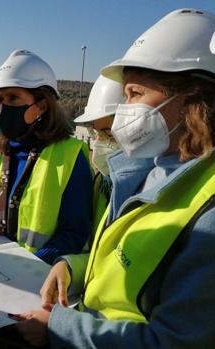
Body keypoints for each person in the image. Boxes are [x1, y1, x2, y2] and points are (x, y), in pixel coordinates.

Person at [15, 9, 215, 348]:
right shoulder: (150, 172)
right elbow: (121, 267)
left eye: (135, 94)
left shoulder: (207, 214)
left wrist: (59, 328)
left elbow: (174, 341)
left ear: (189, 100)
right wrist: (73, 267)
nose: (124, 111)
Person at [0, 50, 93, 265]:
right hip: (1, 270)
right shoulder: (7, 153)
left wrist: (28, 265)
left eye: (13, 97)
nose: (4, 106)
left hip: (36, 281)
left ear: (41, 106)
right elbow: (17, 206)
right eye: (0, 99)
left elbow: (75, 233)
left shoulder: (70, 156)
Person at [74, 75, 124, 235]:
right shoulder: (101, 182)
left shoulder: (148, 193)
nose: (97, 144)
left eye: (107, 134)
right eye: (95, 134)